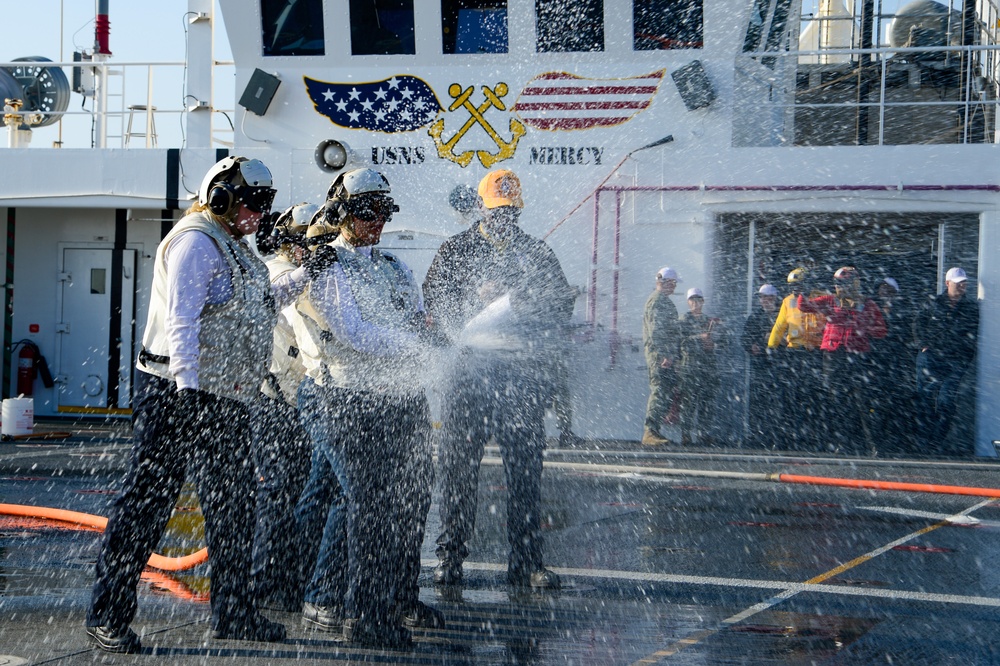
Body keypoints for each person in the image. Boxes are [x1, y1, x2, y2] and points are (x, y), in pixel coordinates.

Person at [86, 156, 304, 653]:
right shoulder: (196, 241)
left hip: (223, 395)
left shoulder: (234, 245)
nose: (259, 213)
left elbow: (259, 300)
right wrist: (186, 390)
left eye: (264, 204)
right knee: (147, 504)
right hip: (175, 391)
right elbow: (183, 320)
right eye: (252, 202)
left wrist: (307, 271)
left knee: (234, 507)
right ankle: (108, 614)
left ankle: (235, 612)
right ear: (222, 198)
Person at [291, 168, 443, 648]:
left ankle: (399, 597)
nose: (376, 221)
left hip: (401, 397)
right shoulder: (327, 266)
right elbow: (354, 332)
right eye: (365, 212)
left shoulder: (396, 266)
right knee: (369, 507)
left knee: (412, 499)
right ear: (341, 214)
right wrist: (418, 348)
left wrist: (434, 336)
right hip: (348, 398)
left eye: (383, 211)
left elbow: (416, 318)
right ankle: (366, 615)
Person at [426, 168, 574, 590]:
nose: (502, 219)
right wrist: (475, 299)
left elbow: (561, 305)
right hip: (468, 371)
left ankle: (526, 562)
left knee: (526, 471)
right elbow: (434, 301)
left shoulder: (537, 252)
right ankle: (450, 558)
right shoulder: (456, 250)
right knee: (458, 470)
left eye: (509, 212)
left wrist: (522, 303)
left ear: (518, 210)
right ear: (481, 208)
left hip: (519, 374)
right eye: (495, 212)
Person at [249, 203, 319, 611]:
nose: (305, 250)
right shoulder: (277, 273)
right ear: (284, 242)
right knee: (278, 491)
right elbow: (299, 322)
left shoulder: (302, 272)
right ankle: (263, 582)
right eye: (299, 242)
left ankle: (291, 578)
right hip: (277, 402)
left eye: (310, 242)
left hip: (301, 400)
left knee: (301, 492)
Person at [798, 267, 887, 455]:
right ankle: (839, 441)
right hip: (833, 355)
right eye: (837, 283)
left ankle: (870, 444)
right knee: (835, 399)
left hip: (857, 356)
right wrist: (804, 289)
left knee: (861, 400)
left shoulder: (867, 304)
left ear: (855, 284)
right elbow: (803, 306)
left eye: (843, 284)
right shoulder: (830, 301)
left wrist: (861, 328)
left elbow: (881, 330)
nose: (839, 287)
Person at [915, 267, 979, 454]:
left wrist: (966, 355)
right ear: (947, 283)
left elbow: (972, 335)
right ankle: (924, 442)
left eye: (964, 283)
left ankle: (934, 442)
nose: (962, 286)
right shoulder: (934, 302)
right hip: (932, 357)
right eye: (958, 283)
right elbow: (918, 323)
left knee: (946, 401)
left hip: (955, 360)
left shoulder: (970, 307)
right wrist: (923, 344)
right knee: (925, 399)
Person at [767, 267, 826, 449]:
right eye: (792, 286)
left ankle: (813, 437)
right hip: (795, 353)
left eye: (798, 285)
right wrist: (772, 346)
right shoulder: (787, 302)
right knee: (792, 395)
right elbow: (779, 325)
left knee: (812, 395)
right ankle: (791, 436)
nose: (795, 289)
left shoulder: (821, 297)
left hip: (815, 353)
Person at [868, 276, 918, 453]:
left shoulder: (903, 311)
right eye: (881, 288)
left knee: (896, 403)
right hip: (875, 362)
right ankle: (877, 441)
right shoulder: (871, 308)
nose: (884, 292)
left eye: (888, 289)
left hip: (896, 363)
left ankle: (895, 441)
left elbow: (906, 336)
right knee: (877, 403)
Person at [677, 288, 728, 446]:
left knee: (707, 403)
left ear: (703, 302)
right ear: (688, 302)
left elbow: (725, 342)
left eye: (698, 300)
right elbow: (680, 342)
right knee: (688, 403)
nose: (695, 303)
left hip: (708, 368)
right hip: (690, 367)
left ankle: (703, 434)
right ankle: (686, 435)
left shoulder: (710, 321)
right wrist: (700, 338)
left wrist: (714, 344)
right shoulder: (683, 320)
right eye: (692, 300)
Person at [642, 266, 682, 446]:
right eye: (672, 283)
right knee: (659, 390)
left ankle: (654, 429)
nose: (674, 286)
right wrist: (664, 355)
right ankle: (650, 431)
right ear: (664, 282)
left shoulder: (663, 301)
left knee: (664, 391)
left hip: (665, 355)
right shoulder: (657, 301)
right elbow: (656, 331)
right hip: (660, 356)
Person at [740, 284, 780, 448]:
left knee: (777, 403)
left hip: (779, 366)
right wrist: (751, 346)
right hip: (761, 366)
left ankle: (777, 437)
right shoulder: (755, 317)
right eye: (762, 298)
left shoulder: (781, 315)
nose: (765, 301)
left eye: (768, 297)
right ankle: (758, 436)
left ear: (774, 299)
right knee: (758, 402)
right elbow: (744, 338)